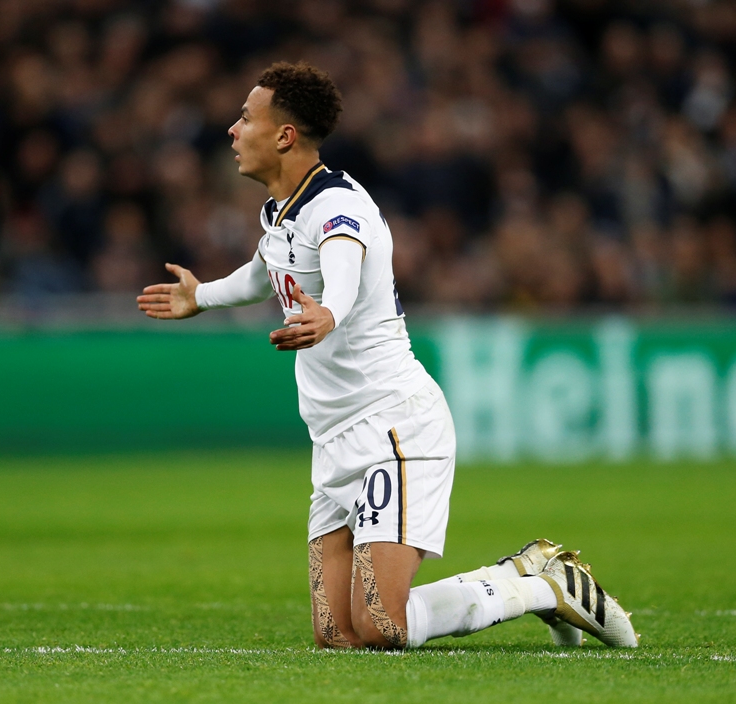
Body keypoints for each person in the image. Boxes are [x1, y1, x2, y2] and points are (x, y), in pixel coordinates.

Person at [138, 62, 638, 650]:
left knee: (381, 626)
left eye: (246, 117)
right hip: (332, 441)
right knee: (336, 635)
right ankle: (526, 582)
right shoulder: (279, 212)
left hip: (393, 428)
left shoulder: (337, 206)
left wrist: (331, 312)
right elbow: (264, 269)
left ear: (284, 136)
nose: (232, 129)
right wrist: (203, 297)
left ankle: (535, 583)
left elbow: (342, 260)